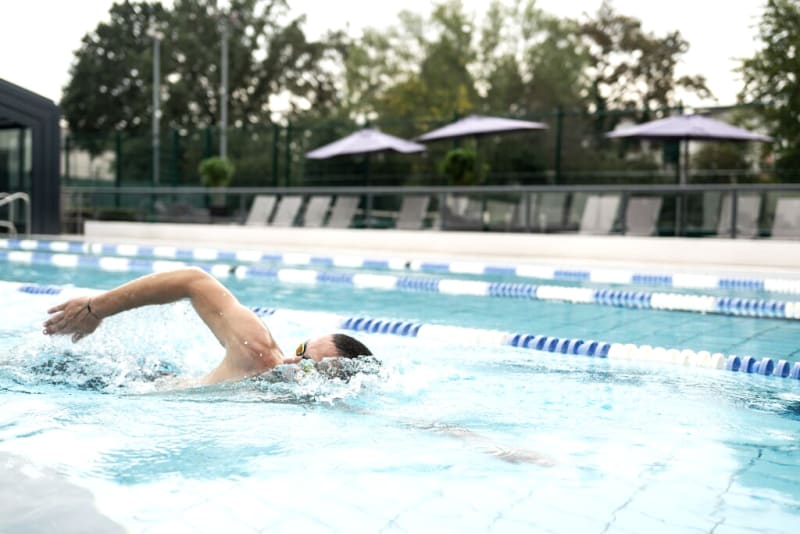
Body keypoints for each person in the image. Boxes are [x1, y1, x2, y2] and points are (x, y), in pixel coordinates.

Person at [42, 267, 372, 385]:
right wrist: (95, 308)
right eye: (301, 349)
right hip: (109, 382)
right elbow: (193, 280)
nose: (291, 360)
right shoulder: (256, 353)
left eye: (309, 366)